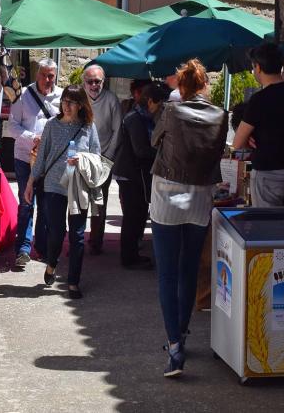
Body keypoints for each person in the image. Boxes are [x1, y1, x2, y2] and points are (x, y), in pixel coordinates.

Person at [150, 59, 228, 377]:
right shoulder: (221, 115)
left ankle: (174, 346)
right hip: (199, 196)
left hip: (168, 193)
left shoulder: (171, 111)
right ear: (205, 85)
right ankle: (180, 335)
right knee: (189, 270)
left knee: (168, 274)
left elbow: (153, 140)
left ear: (181, 86)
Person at [24, 85, 100, 299]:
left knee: (77, 237)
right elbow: (41, 158)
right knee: (56, 233)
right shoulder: (51, 125)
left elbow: (97, 156)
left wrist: (82, 160)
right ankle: (52, 262)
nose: (67, 106)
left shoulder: (88, 127)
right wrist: (30, 182)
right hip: (53, 186)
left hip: (78, 186)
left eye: (72, 102)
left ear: (80, 105)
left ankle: (73, 282)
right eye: (65, 100)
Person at [232, 43, 284, 207]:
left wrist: (249, 140)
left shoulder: (259, 100)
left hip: (269, 173)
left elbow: (237, 143)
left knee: (268, 229)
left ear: (258, 67)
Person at [7, 58, 62, 268]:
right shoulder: (23, 96)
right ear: (37, 74)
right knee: (27, 202)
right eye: (44, 75)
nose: (47, 79)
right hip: (24, 157)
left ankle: (42, 246)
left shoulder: (62, 96)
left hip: (50, 159)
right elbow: (12, 127)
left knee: (47, 205)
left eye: (51, 76)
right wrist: (33, 138)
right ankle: (23, 249)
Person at [114, 83, 170, 268]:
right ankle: (129, 258)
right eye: (161, 105)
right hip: (130, 174)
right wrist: (165, 154)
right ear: (151, 102)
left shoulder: (142, 117)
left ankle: (132, 255)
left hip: (136, 173)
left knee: (138, 215)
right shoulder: (135, 119)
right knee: (133, 216)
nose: (163, 109)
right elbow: (141, 150)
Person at [83, 65, 122, 256]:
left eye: (97, 81)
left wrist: (108, 157)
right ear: (84, 82)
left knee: (99, 202)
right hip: (81, 159)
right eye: (89, 81)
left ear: (103, 81)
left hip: (104, 158)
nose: (93, 85)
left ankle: (96, 242)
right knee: (78, 200)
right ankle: (77, 239)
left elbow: (117, 130)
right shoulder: (79, 99)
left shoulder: (111, 100)